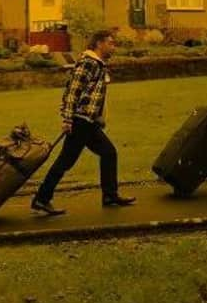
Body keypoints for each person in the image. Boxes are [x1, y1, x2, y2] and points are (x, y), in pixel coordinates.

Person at [31, 30, 136, 215]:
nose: (114, 46)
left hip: (88, 122)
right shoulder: (88, 63)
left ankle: (109, 195)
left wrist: (98, 117)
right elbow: (72, 91)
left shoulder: (98, 64)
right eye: (110, 43)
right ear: (99, 44)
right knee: (67, 161)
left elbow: (94, 95)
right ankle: (42, 199)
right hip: (80, 121)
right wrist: (67, 119)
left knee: (107, 153)